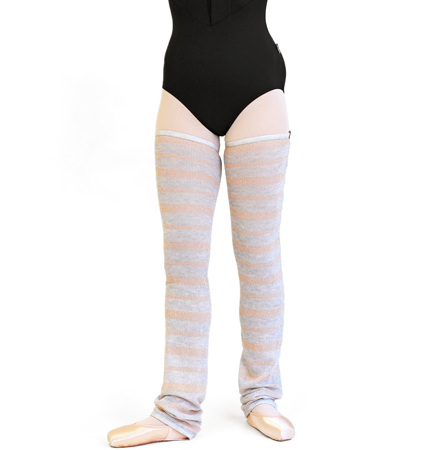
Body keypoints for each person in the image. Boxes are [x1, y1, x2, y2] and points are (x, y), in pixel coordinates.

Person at [107, 0, 295, 446]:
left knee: (258, 256)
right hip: (182, 94)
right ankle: (177, 409)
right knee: (184, 265)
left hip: (258, 91)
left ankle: (261, 394)